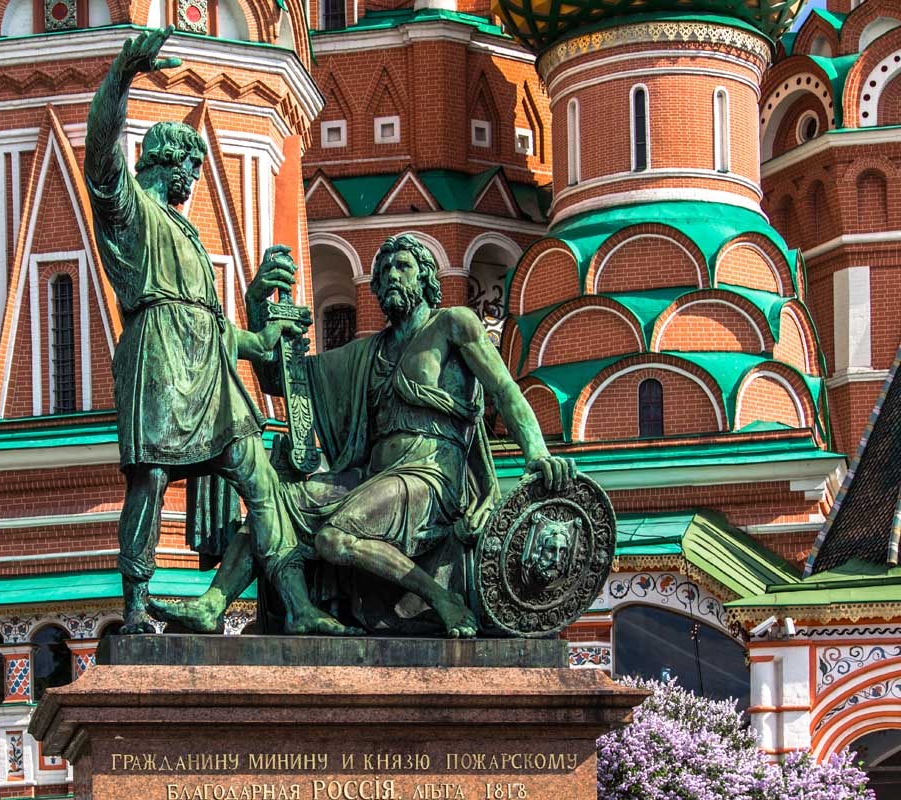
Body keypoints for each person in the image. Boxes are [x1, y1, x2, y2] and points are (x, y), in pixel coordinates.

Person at [151, 234, 576, 637]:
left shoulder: (452, 324)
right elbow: (281, 379)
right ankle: (213, 605)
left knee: (334, 538)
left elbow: (504, 390)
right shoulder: (369, 352)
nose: (392, 275)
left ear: (426, 278)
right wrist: (257, 304)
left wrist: (537, 452)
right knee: (275, 501)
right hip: (373, 475)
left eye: (403, 266)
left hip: (430, 476)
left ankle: (442, 600)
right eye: (384, 270)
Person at [85, 26, 356, 635]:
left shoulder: (185, 232)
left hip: (209, 371)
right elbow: (100, 155)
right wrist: (123, 73)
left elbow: (211, 326)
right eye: (192, 167)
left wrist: (258, 335)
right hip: (158, 359)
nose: (195, 180)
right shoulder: (132, 211)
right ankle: (135, 603)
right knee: (151, 479)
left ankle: (297, 605)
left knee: (260, 478)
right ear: (169, 161)